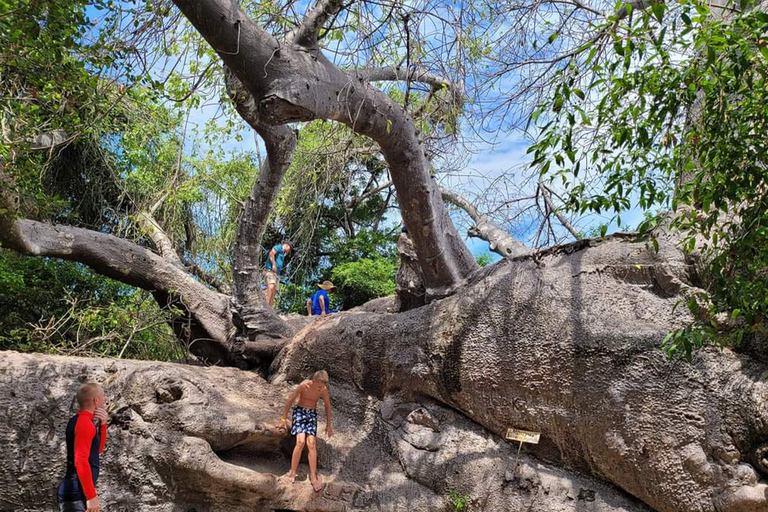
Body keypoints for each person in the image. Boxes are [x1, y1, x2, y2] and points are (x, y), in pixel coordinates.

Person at [276, 370, 334, 492]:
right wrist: (283, 419)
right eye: (319, 386)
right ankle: (292, 472)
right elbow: (290, 400)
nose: (321, 388)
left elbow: (327, 406)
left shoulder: (323, 390)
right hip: (300, 412)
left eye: (323, 386)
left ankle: (313, 476)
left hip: (311, 414)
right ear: (313, 381)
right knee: (300, 442)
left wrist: (329, 425)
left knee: (311, 443)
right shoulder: (304, 385)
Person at [57, 383, 109, 512]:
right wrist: (91, 496)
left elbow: (97, 452)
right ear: (96, 400)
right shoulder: (84, 423)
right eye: (103, 396)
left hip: (78, 491)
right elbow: (80, 460)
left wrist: (103, 425)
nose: (105, 400)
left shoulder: (85, 421)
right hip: (76, 493)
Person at [263, 240, 295, 308]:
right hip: (270, 271)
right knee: (270, 287)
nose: (289, 251)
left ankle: (270, 308)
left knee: (274, 291)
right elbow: (271, 253)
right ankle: (265, 306)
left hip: (276, 274)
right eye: (290, 249)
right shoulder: (279, 247)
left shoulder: (282, 254)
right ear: (287, 245)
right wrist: (274, 264)